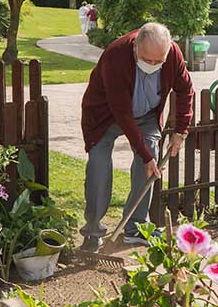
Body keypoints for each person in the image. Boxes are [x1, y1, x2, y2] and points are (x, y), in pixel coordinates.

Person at [80, 22, 194, 252]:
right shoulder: (116, 55)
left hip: (146, 115)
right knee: (99, 169)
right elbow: (122, 113)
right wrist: (144, 155)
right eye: (147, 60)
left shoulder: (172, 54)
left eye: (157, 62)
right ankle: (93, 232)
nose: (152, 65)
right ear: (135, 49)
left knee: (148, 162)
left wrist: (181, 131)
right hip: (106, 116)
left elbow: (185, 90)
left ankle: (136, 228)